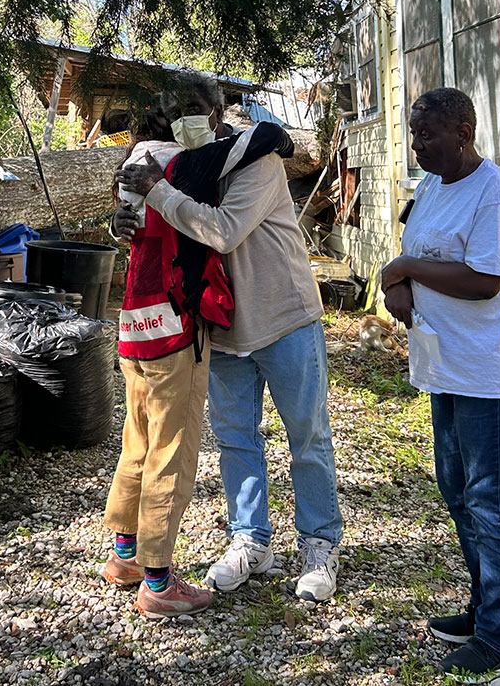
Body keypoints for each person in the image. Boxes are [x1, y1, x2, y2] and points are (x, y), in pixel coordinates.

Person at [115, 74, 344, 603]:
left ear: (220, 110)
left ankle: (320, 543)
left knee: (307, 436)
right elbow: (159, 226)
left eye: (198, 107)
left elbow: (221, 229)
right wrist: (122, 223)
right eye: (177, 110)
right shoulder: (192, 166)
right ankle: (251, 540)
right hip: (219, 326)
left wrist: (159, 191)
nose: (188, 118)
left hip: (283, 317)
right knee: (237, 437)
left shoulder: (254, 160)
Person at [102, 93, 295, 619]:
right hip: (175, 325)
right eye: (209, 115)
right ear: (199, 118)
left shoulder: (135, 163)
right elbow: (259, 141)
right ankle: (159, 582)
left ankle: (124, 558)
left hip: (133, 324)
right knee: (173, 449)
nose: (213, 127)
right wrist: (272, 132)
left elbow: (125, 222)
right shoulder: (184, 165)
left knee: (137, 438)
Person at [380, 87, 500, 681]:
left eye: (428, 134)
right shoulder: (429, 189)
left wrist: (408, 271)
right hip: (443, 366)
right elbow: (407, 257)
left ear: (464, 132)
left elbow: (486, 280)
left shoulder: (493, 191)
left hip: (488, 375)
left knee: (489, 504)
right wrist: (398, 286)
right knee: (456, 492)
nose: (417, 144)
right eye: (414, 134)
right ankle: (481, 609)